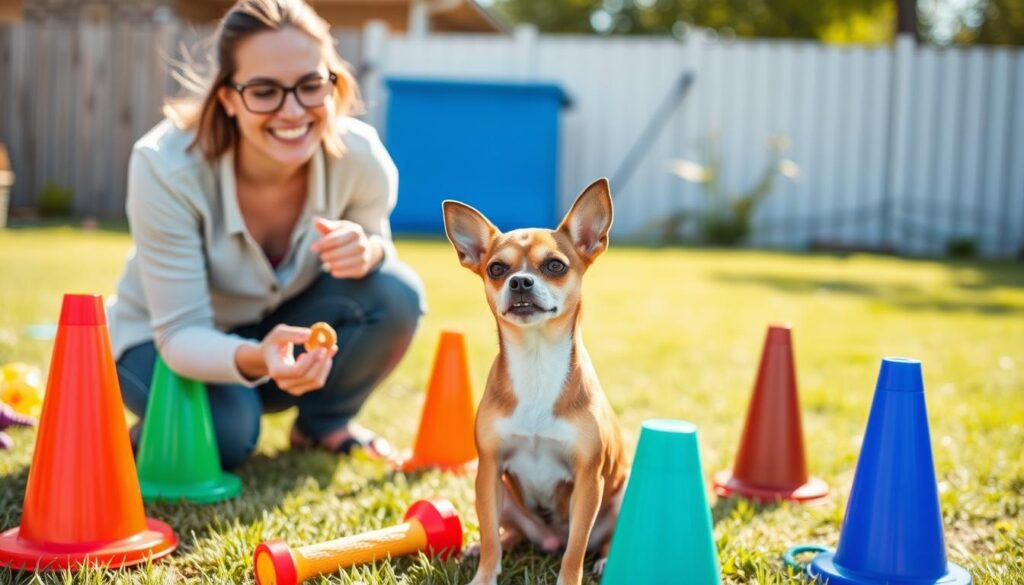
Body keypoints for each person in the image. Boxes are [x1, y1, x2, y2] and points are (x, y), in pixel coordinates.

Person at [108, 0, 425, 469]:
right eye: (264, 91)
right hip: (159, 342)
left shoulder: (361, 157)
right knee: (229, 435)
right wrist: (259, 356)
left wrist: (369, 250)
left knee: (395, 293)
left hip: (277, 334)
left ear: (333, 84)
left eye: (310, 85)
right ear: (228, 99)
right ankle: (156, 431)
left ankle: (322, 425)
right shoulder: (164, 164)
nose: (293, 110)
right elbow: (179, 332)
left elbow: (378, 242)